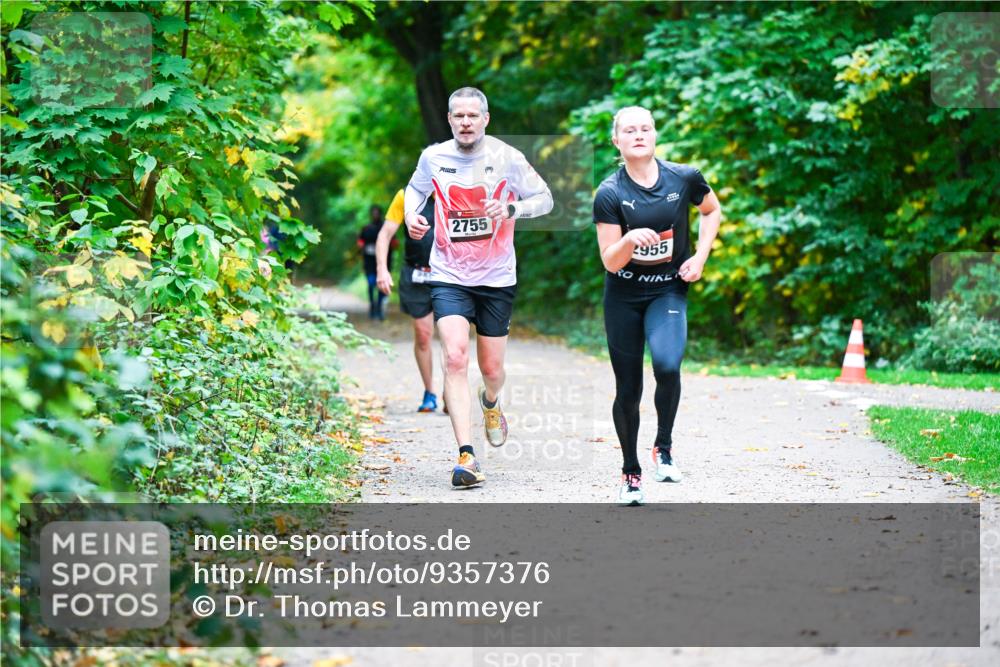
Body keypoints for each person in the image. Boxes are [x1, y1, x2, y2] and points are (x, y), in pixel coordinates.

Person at [403, 87, 553, 488]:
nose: (465, 122)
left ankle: (491, 402)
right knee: (454, 356)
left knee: (492, 369)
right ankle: (467, 455)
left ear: (486, 119)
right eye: (458, 116)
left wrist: (511, 209)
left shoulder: (508, 157)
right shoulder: (433, 157)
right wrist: (411, 216)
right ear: (449, 120)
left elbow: (546, 198)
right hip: (448, 273)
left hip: (497, 276)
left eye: (473, 115)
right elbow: (415, 189)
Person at [593, 106, 722, 506]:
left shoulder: (683, 177)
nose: (638, 135)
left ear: (654, 135)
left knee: (667, 365)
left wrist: (699, 257)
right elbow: (610, 261)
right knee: (628, 389)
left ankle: (662, 448)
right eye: (629, 130)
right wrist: (631, 241)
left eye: (645, 128)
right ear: (617, 141)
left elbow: (711, 210)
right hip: (624, 297)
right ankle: (631, 474)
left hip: (668, 290)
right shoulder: (610, 192)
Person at [375, 189, 441, 412]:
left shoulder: (457, 191)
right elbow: (385, 235)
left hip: (451, 276)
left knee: (453, 338)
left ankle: (453, 393)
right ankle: (430, 392)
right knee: (423, 336)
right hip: (416, 275)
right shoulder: (406, 196)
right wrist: (381, 270)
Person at [357, 205, 395, 320]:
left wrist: (386, 246)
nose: (375, 215)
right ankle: (372, 305)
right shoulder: (366, 228)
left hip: (384, 262)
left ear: (380, 214)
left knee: (382, 285)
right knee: (371, 283)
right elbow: (360, 242)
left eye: (377, 213)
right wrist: (362, 246)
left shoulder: (386, 228)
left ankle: (379, 307)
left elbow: (395, 243)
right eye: (373, 213)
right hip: (369, 261)